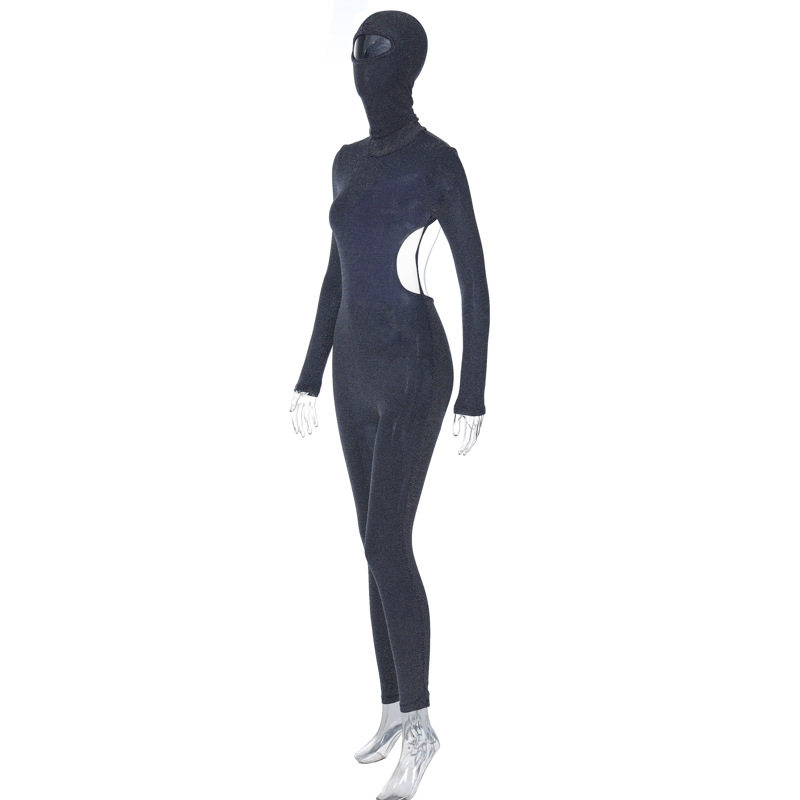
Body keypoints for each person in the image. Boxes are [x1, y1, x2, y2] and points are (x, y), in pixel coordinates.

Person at [289, 10, 490, 799]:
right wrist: (309, 373)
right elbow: (334, 274)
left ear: (406, 64)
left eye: (374, 50)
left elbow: (474, 282)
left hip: (414, 366)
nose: (360, 62)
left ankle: (425, 728)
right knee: (370, 545)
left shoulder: (438, 163)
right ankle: (391, 708)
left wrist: (474, 390)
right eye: (355, 49)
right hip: (353, 366)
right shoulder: (344, 163)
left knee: (387, 541)